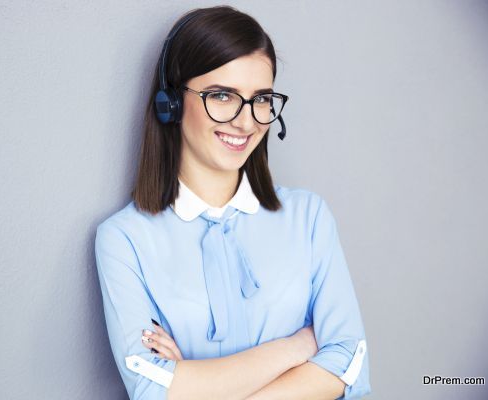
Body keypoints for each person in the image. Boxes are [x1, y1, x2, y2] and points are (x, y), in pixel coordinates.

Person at [95, 5, 371, 400]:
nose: (246, 122)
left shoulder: (308, 217)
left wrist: (194, 380)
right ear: (170, 102)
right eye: (222, 95)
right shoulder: (123, 240)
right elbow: (150, 388)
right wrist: (296, 348)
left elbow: (348, 365)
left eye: (261, 99)